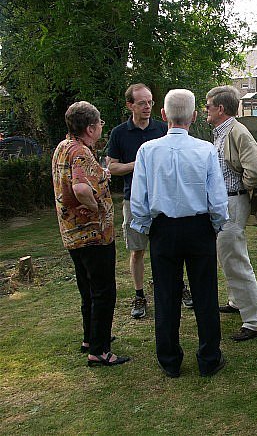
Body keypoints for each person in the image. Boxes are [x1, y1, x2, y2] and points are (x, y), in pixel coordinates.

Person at [129, 89, 228, 378]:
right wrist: (216, 224)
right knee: (205, 294)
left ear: (163, 115)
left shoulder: (147, 151)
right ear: (194, 116)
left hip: (163, 229)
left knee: (166, 295)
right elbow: (217, 198)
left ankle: (169, 359)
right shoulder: (205, 150)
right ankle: (209, 358)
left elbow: (139, 198)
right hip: (199, 228)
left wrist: (146, 226)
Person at [52, 101, 130, 367]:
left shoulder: (64, 147)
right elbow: (81, 188)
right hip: (93, 235)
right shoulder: (81, 153)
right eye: (100, 124)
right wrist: (96, 208)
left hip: (72, 233)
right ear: (90, 128)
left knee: (87, 288)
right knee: (103, 291)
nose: (101, 128)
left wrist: (101, 174)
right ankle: (100, 351)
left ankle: (91, 337)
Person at [106, 84, 193, 318]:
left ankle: (179, 286)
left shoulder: (163, 129)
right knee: (137, 251)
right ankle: (139, 295)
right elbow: (111, 167)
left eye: (150, 102)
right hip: (133, 199)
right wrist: (139, 163)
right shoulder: (119, 133)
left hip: (164, 200)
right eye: (142, 103)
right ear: (130, 105)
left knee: (172, 248)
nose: (147, 107)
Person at [205, 85, 257, 341]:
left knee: (236, 259)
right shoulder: (223, 132)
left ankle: (254, 321)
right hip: (226, 201)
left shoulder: (237, 132)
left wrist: (242, 189)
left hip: (232, 201)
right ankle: (236, 301)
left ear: (220, 108)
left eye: (208, 106)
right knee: (228, 256)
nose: (205, 110)